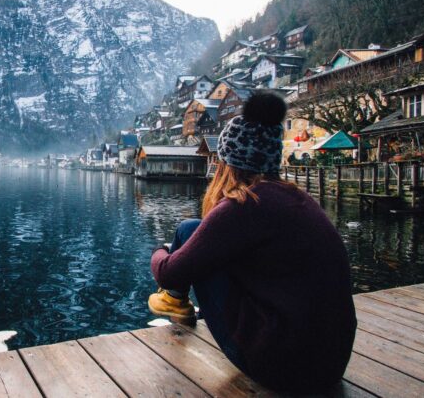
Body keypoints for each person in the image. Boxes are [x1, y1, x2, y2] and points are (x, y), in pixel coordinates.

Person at [148, 91, 356, 393]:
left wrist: (159, 251)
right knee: (193, 229)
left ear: (228, 162)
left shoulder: (243, 205)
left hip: (282, 367)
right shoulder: (297, 198)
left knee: (191, 245)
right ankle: (175, 299)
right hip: (331, 362)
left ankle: (174, 300)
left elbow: (167, 271)